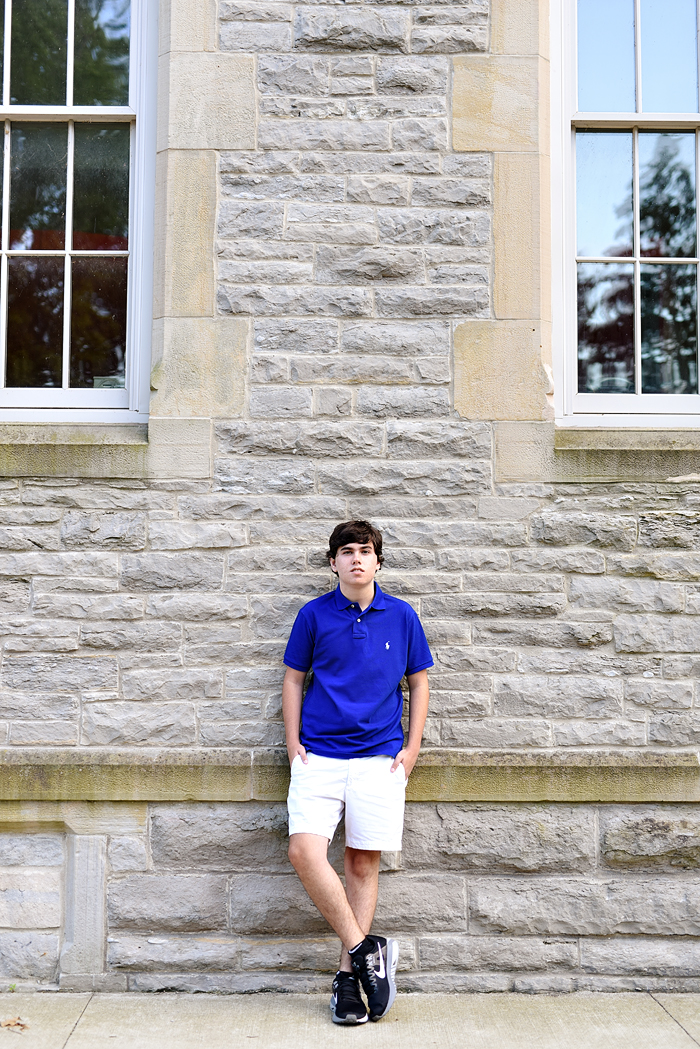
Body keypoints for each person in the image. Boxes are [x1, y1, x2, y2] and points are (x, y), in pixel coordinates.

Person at [282, 520, 432, 1025]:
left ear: (377, 562)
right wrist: (292, 743)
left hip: (380, 759)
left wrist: (412, 749)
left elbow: (418, 682)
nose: (356, 559)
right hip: (318, 757)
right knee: (304, 851)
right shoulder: (313, 615)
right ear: (333, 563)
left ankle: (348, 981)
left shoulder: (402, 616)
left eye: (365, 551)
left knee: (361, 866)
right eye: (346, 552)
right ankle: (367, 950)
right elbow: (294, 679)